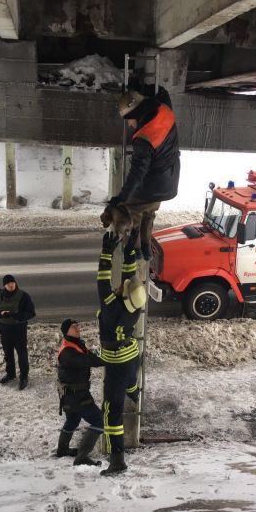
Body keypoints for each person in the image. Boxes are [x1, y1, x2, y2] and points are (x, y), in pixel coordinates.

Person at [103, 86, 180, 260]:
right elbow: (163, 92)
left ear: (136, 113)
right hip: (169, 182)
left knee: (129, 213)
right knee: (149, 213)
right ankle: (146, 248)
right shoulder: (165, 110)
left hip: (152, 185)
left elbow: (137, 174)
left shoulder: (143, 138)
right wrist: (141, 88)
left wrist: (121, 198)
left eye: (129, 119)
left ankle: (134, 252)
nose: (129, 124)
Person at [97, 231, 146, 475]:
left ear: (123, 295)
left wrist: (107, 253)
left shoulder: (111, 309)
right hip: (130, 356)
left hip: (116, 362)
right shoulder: (133, 306)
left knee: (110, 410)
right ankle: (134, 392)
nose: (120, 285)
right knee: (130, 382)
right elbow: (130, 277)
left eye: (122, 288)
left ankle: (117, 460)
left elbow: (102, 281)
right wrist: (130, 251)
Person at [56, 319, 105, 466]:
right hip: (76, 395)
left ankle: (62, 450)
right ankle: (82, 456)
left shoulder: (76, 344)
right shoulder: (67, 351)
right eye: (73, 327)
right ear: (66, 331)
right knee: (99, 421)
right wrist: (110, 361)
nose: (78, 328)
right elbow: (86, 360)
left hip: (72, 394)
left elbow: (90, 358)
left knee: (73, 420)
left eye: (78, 326)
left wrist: (104, 358)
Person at [0, 274, 35, 390]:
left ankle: (24, 377)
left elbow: (31, 313)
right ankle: (10, 374)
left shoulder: (24, 296)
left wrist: (16, 316)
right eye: (9, 283)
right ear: (5, 285)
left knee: (22, 354)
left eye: (13, 283)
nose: (11, 285)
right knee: (8, 353)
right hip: (4, 329)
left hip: (19, 329)